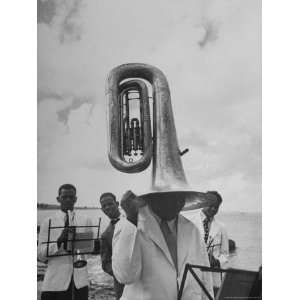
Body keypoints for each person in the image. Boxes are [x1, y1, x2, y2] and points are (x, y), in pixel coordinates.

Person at [112, 190, 214, 300]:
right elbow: (125, 276)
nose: (177, 204)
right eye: (169, 198)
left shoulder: (192, 230)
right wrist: (132, 219)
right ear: (151, 198)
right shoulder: (129, 226)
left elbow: (205, 279)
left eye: (181, 198)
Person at [38, 184, 93, 300]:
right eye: (64, 197)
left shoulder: (86, 220)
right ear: (58, 199)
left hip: (79, 281)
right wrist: (58, 243)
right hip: (55, 282)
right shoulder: (47, 222)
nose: (68, 200)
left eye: (71, 197)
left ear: (76, 199)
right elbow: (41, 256)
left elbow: (89, 249)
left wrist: (89, 245)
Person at [182, 191, 229, 295]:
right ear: (202, 203)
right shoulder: (190, 222)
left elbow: (225, 255)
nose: (213, 209)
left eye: (216, 207)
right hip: (193, 273)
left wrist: (217, 262)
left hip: (213, 277)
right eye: (210, 205)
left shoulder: (221, 228)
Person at [99, 192, 125, 299]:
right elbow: (105, 263)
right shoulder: (105, 235)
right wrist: (120, 273)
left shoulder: (134, 220)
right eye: (104, 206)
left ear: (117, 203)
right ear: (102, 210)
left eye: (110, 204)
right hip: (121, 284)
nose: (107, 207)